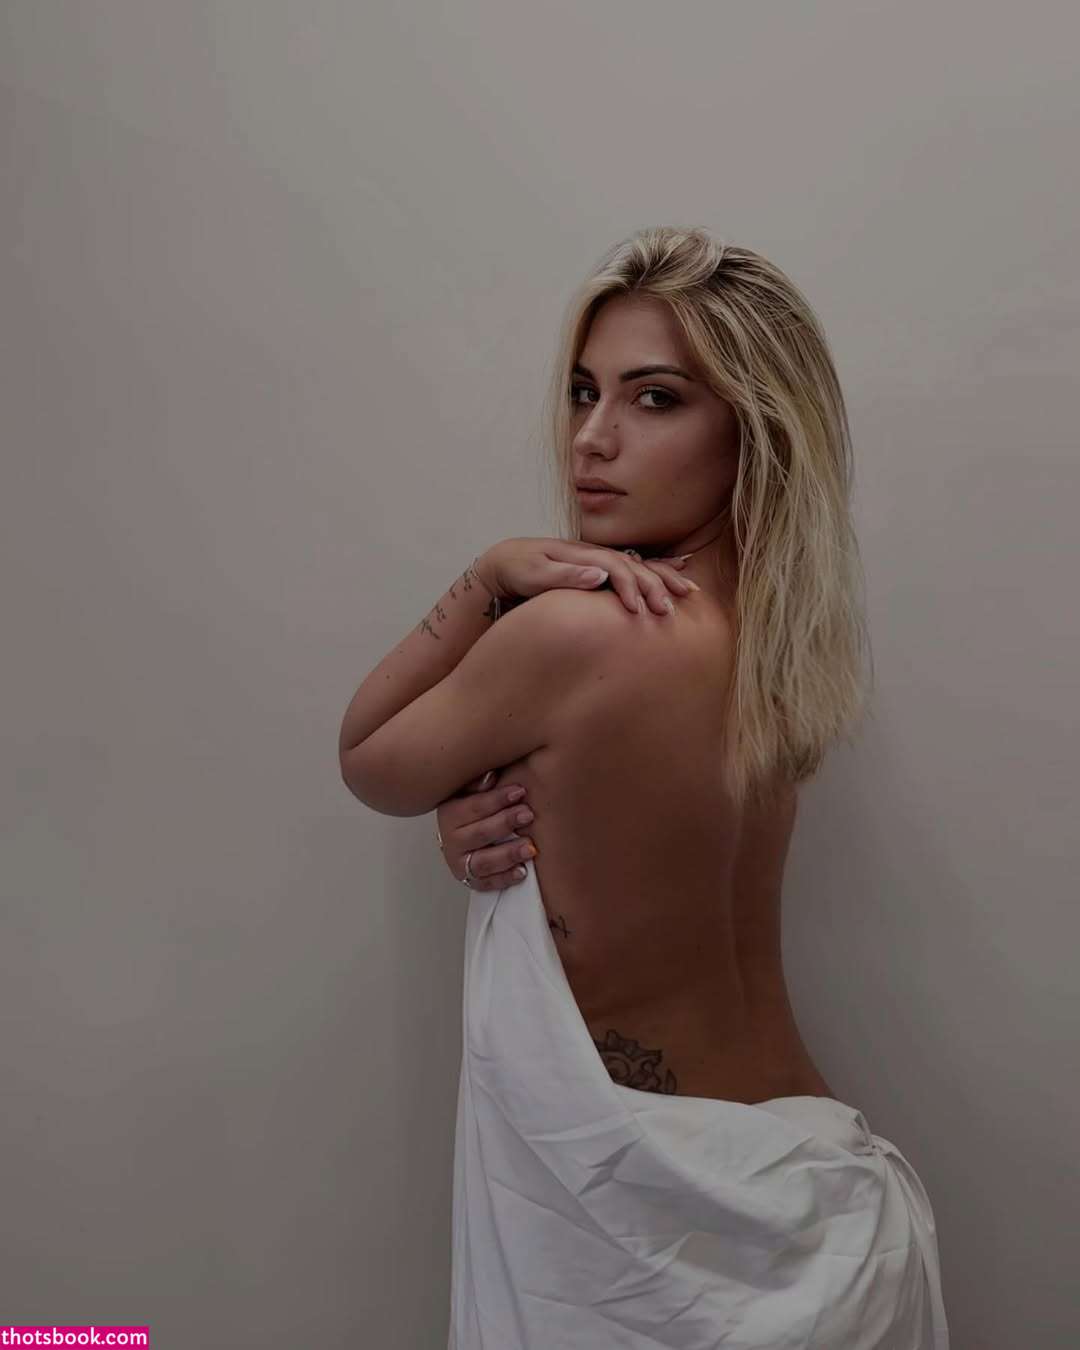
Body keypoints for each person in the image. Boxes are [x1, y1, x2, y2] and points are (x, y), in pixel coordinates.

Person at [342, 225, 950, 1347]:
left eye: (655, 398)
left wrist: (487, 575)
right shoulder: (779, 657)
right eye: (585, 392)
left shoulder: (574, 634)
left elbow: (369, 755)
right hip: (829, 1209)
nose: (593, 437)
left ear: (754, 429)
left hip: (650, 1235)